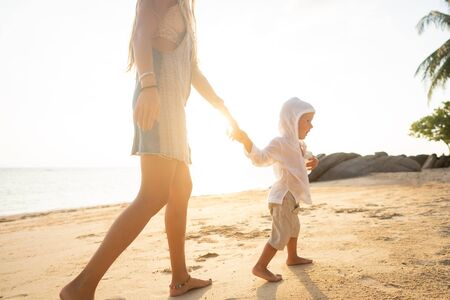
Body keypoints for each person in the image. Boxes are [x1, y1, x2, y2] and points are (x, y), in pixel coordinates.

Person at [60, 0, 238, 298]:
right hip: (157, 99)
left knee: (181, 188)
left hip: (174, 110)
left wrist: (223, 110)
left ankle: (180, 279)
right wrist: (149, 85)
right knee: (153, 195)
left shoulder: (184, 9)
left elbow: (192, 69)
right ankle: (81, 287)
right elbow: (141, 35)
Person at [231, 97, 319, 282]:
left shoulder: (299, 145)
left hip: (292, 197)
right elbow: (261, 158)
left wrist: (314, 160)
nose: (311, 126)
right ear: (292, 120)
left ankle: (292, 257)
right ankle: (260, 266)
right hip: (282, 197)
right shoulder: (280, 143)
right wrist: (246, 141)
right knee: (282, 233)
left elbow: (304, 156)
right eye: (307, 121)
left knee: (294, 228)